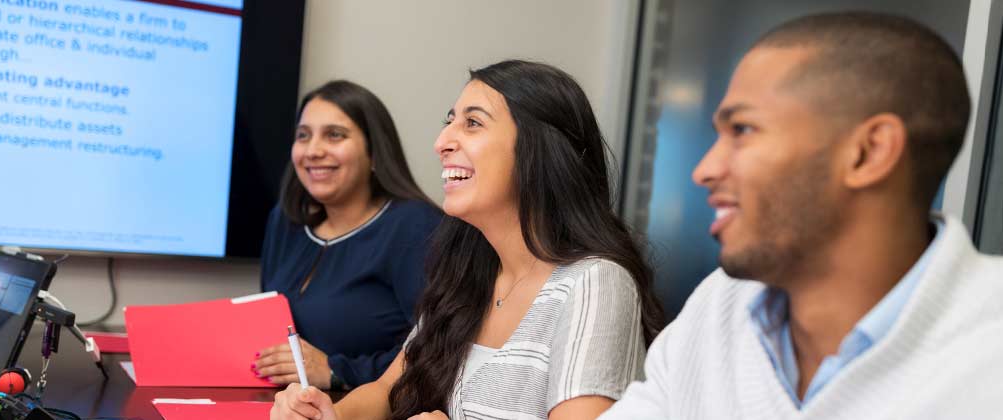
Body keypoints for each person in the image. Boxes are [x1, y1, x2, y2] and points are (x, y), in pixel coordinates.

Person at [601, 12, 1003, 420]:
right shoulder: (720, 305)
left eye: (742, 130)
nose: (704, 170)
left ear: (868, 153)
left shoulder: (988, 352)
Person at [271, 60, 666, 420]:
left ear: (538, 149)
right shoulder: (467, 275)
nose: (441, 142)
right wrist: (327, 414)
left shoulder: (595, 283)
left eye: (472, 123)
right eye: (449, 121)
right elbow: (387, 390)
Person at [255, 80, 442, 390]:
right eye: (303, 136)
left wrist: (336, 370)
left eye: (334, 135)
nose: (313, 151)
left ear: (374, 152)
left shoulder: (416, 226)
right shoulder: (284, 223)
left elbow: (439, 350)